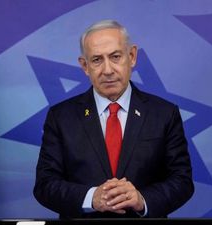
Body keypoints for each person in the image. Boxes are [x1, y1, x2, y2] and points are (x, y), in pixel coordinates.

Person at [33, 19, 194, 218]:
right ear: (85, 66)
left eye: (115, 56)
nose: (108, 70)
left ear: (132, 56)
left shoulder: (164, 114)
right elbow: (45, 184)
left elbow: (182, 181)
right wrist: (91, 197)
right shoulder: (60, 117)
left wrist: (141, 199)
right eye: (97, 60)